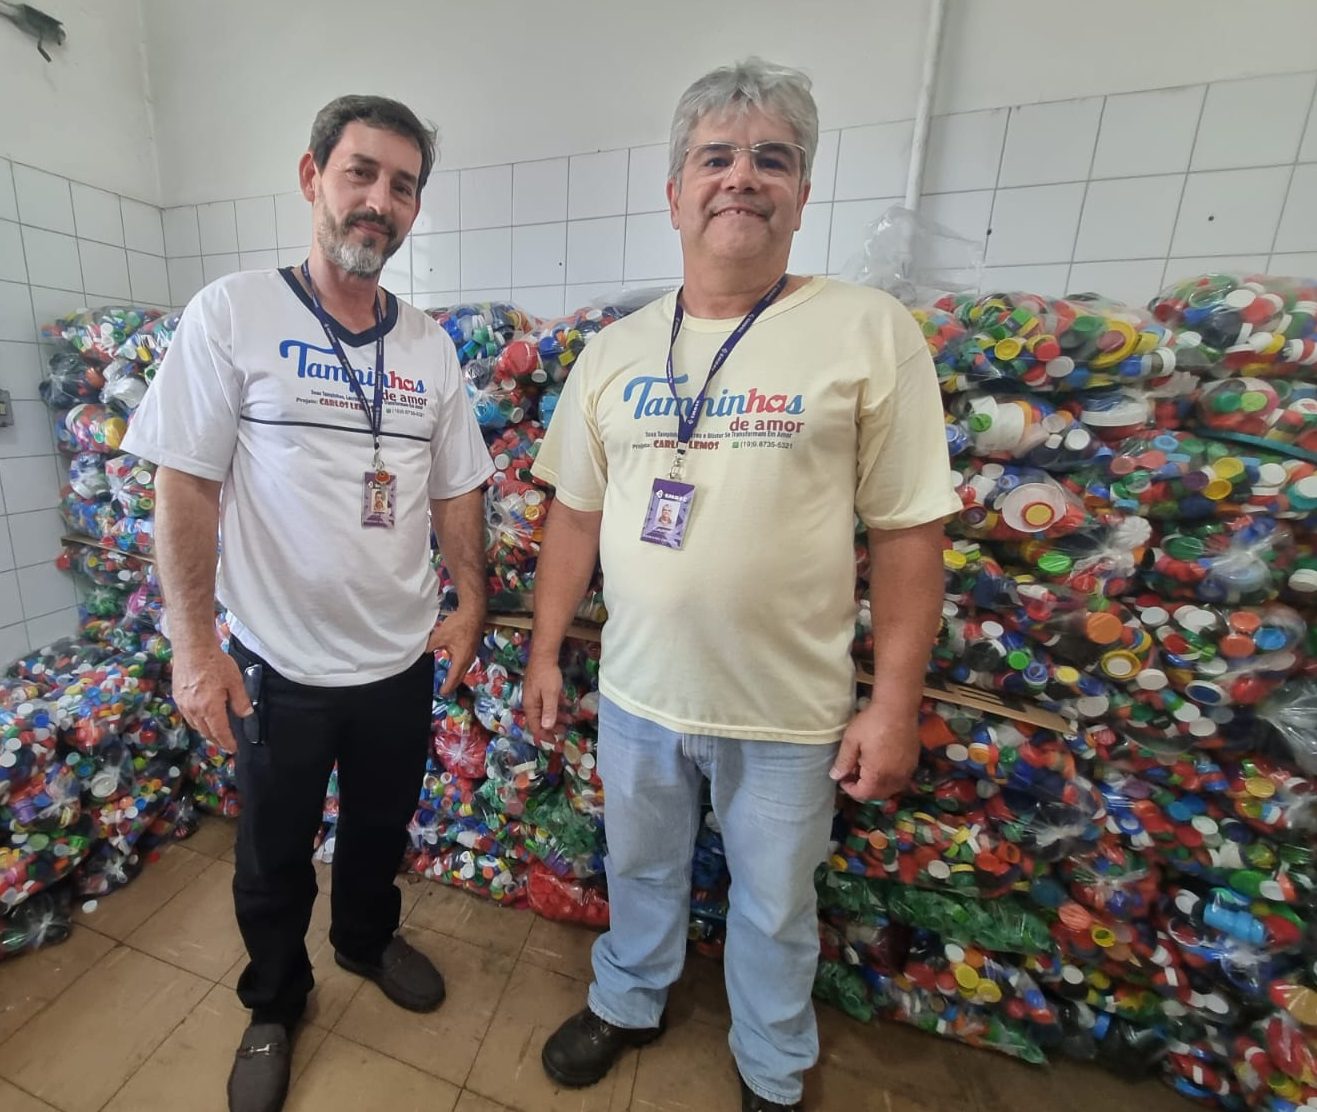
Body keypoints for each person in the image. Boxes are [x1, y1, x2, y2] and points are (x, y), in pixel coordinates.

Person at [523, 59, 958, 1112]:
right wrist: (544, 649)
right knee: (641, 869)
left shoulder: (868, 330)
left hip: (789, 710)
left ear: (803, 191)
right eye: (714, 158)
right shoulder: (616, 350)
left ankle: (772, 1064)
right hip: (636, 695)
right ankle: (630, 998)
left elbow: (909, 529)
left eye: (773, 159)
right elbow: (574, 514)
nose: (742, 179)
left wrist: (893, 702)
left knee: (774, 904)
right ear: (674, 193)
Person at [122, 95, 493, 1112]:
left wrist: (471, 603)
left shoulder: (428, 347)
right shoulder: (234, 312)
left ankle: (367, 937)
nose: (380, 201)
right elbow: (185, 485)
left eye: (403, 184)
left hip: (397, 662)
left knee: (380, 829)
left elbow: (460, 487)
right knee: (273, 854)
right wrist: (196, 648)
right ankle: (276, 999)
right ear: (312, 177)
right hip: (278, 668)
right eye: (361, 173)